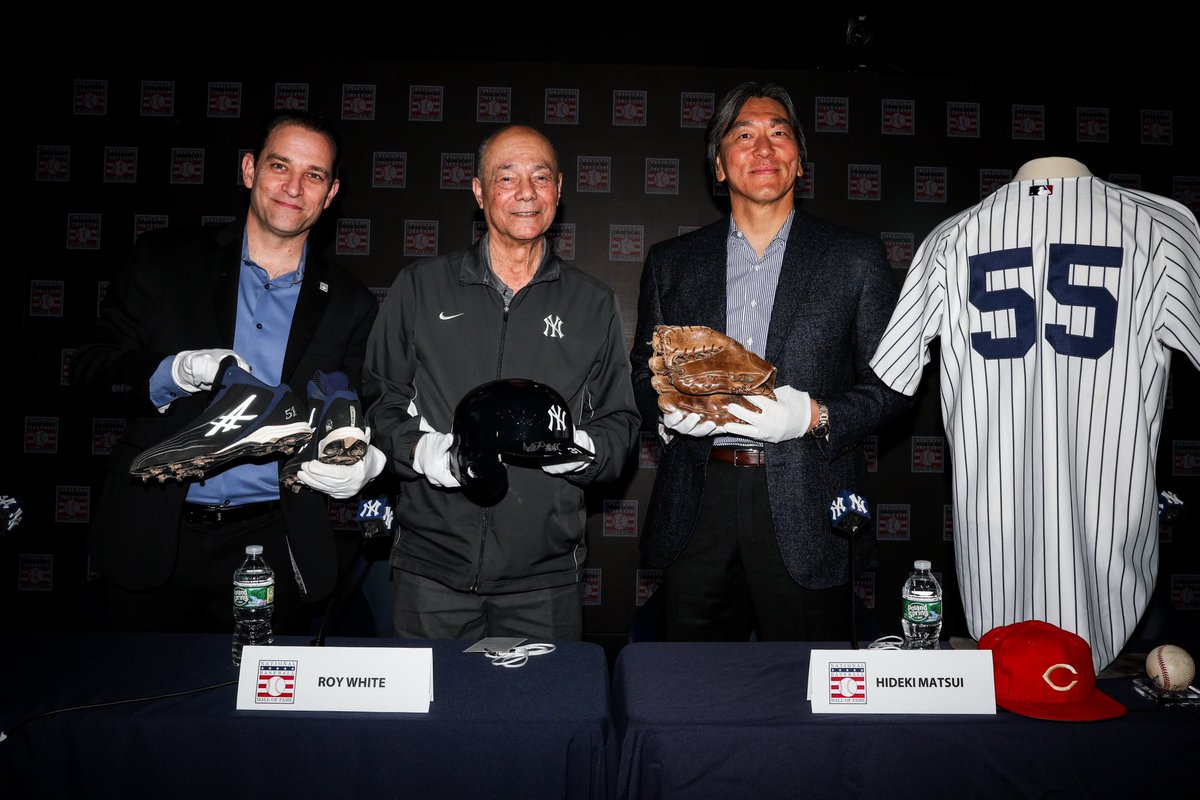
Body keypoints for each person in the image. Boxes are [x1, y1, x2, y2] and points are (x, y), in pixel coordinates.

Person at [73, 111, 381, 634]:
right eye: (279, 166)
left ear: (330, 194)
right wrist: (172, 372)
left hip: (276, 547)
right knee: (136, 704)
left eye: (314, 175)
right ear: (248, 169)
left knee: (262, 712)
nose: (293, 187)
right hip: (154, 534)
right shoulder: (165, 262)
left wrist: (363, 461)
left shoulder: (350, 304)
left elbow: (355, 412)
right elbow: (90, 371)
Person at [630, 81, 910, 642]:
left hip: (807, 501)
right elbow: (643, 369)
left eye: (779, 134)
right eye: (744, 134)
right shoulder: (671, 264)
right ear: (718, 166)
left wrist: (814, 416)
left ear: (799, 163)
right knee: (695, 692)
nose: (763, 148)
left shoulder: (854, 259)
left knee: (807, 691)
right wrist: (666, 410)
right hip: (698, 498)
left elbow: (892, 386)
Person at [364, 124, 639, 640]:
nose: (525, 193)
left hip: (545, 581)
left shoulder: (593, 303)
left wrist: (582, 450)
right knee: (428, 719)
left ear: (559, 188)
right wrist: (422, 453)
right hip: (431, 569)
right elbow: (380, 400)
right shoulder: (420, 287)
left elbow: (621, 423)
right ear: (479, 191)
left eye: (540, 177)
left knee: (540, 720)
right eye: (506, 177)